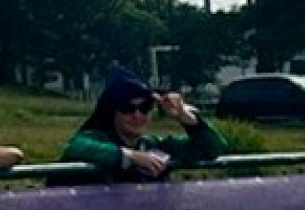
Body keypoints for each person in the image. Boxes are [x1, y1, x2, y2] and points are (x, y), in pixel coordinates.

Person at [61, 68, 225, 182]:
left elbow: (213, 147)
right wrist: (130, 157)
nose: (137, 115)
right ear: (111, 112)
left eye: (145, 108)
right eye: (127, 109)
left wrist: (185, 117)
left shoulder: (154, 146)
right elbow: (74, 147)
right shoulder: (95, 138)